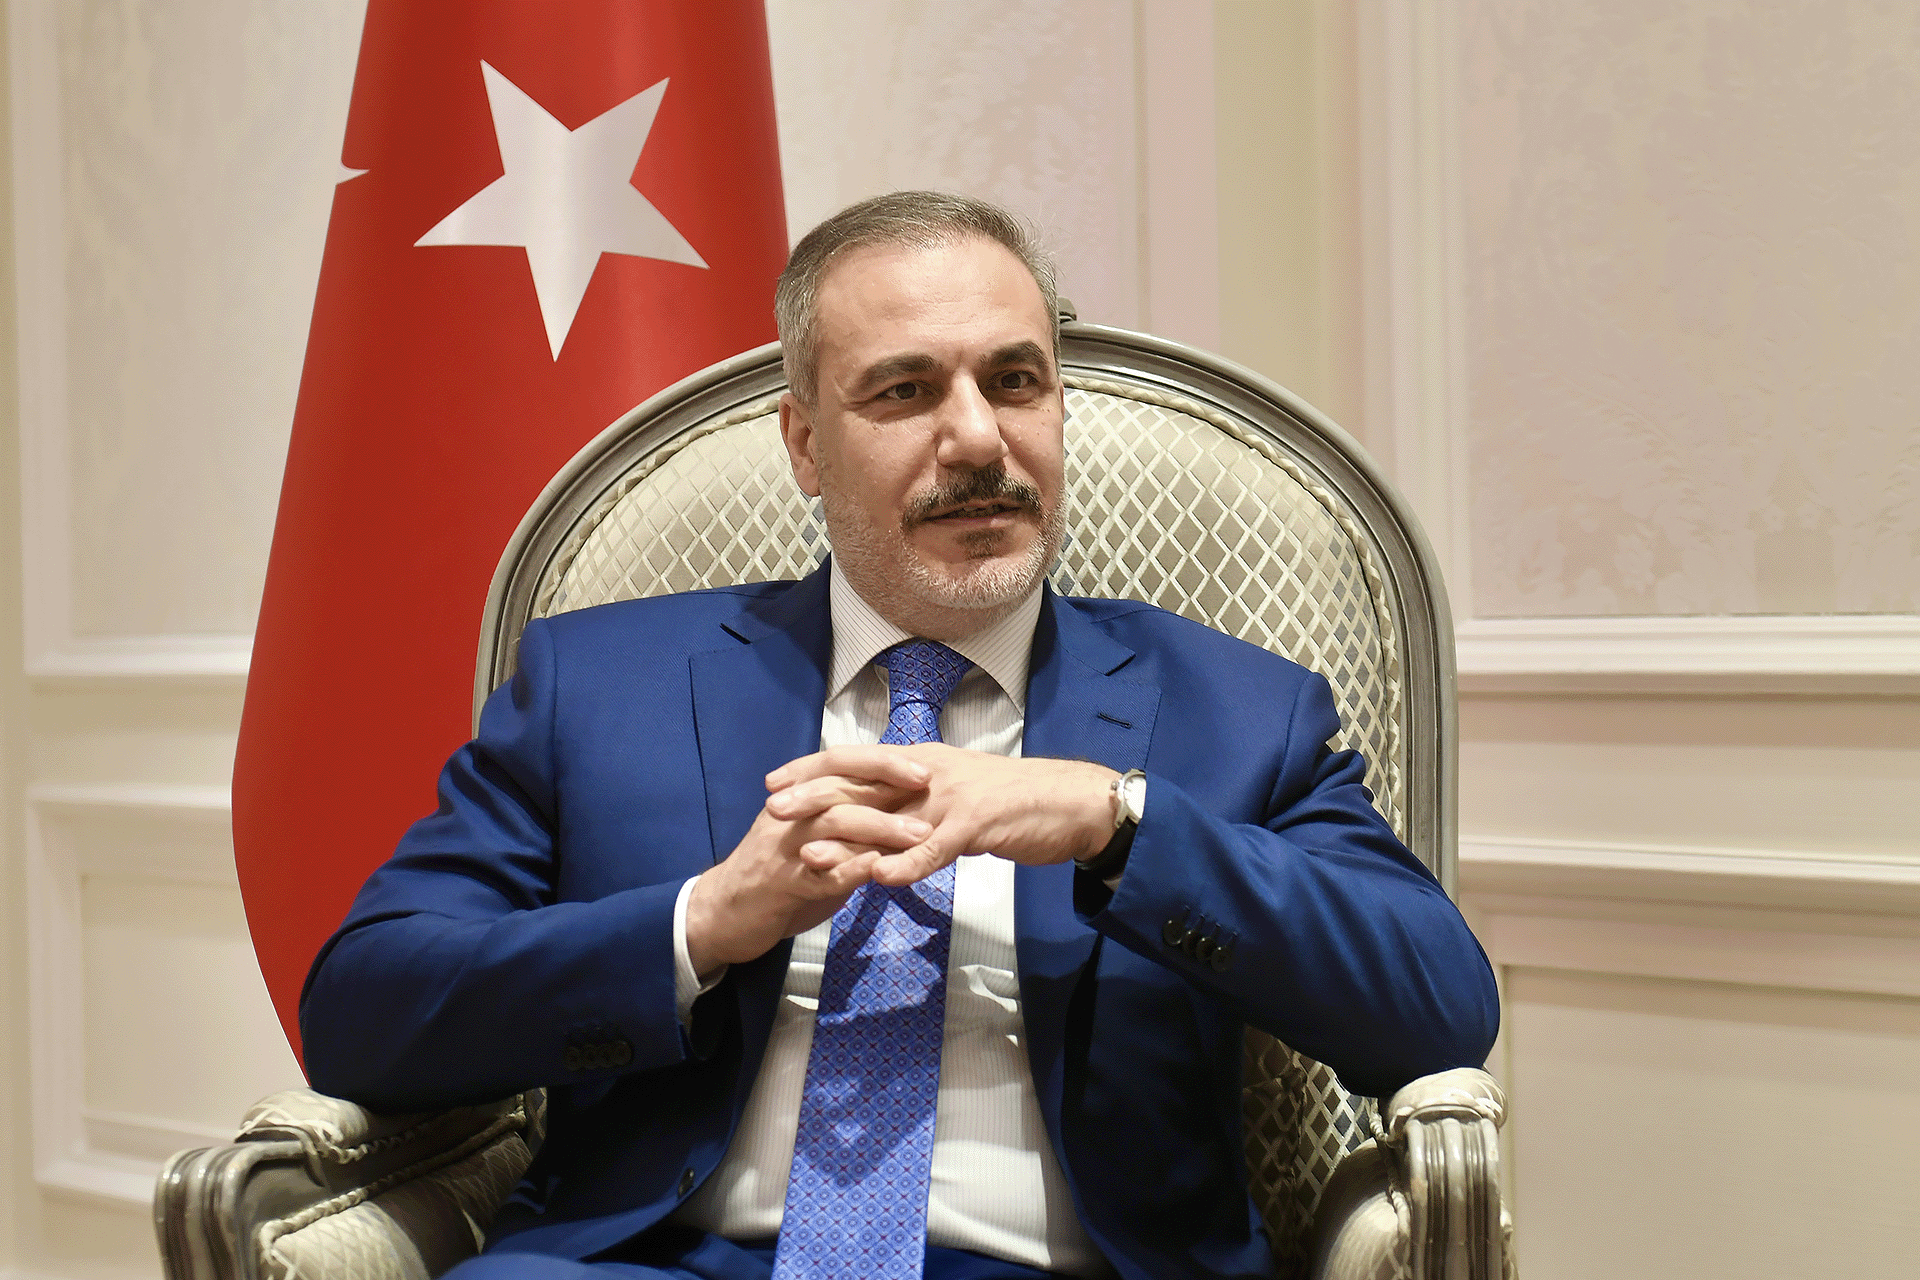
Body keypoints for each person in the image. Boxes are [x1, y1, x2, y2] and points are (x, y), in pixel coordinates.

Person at [300, 191, 1499, 1280]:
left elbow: (1436, 1004)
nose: (977, 438)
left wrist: (1118, 823)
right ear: (806, 446)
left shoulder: (1235, 708)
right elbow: (362, 1012)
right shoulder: (602, 682)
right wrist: (704, 922)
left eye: (1015, 380)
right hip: (659, 1261)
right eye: (905, 391)